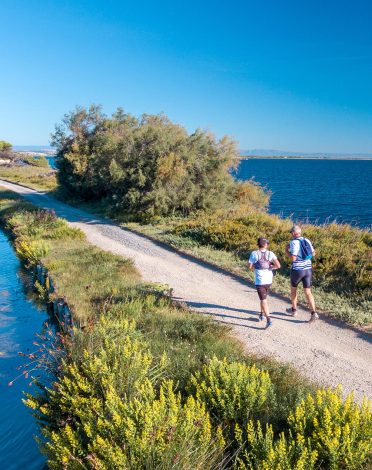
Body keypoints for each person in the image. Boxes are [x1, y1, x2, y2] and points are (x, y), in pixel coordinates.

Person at [286, 225, 319, 321]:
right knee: (308, 292)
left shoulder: (294, 242)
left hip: (297, 270)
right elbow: (313, 253)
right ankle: (313, 313)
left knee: (293, 290)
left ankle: (294, 310)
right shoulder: (307, 240)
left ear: (293, 233)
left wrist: (286, 251)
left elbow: (293, 258)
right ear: (299, 232)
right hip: (308, 269)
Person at [249, 237, 281, 328]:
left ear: (258, 244)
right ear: (266, 244)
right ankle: (261, 314)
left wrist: (256, 267)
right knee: (263, 299)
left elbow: (250, 267)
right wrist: (271, 267)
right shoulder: (271, 253)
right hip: (269, 280)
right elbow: (278, 265)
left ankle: (268, 320)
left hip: (260, 281)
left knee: (264, 300)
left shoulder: (254, 254)